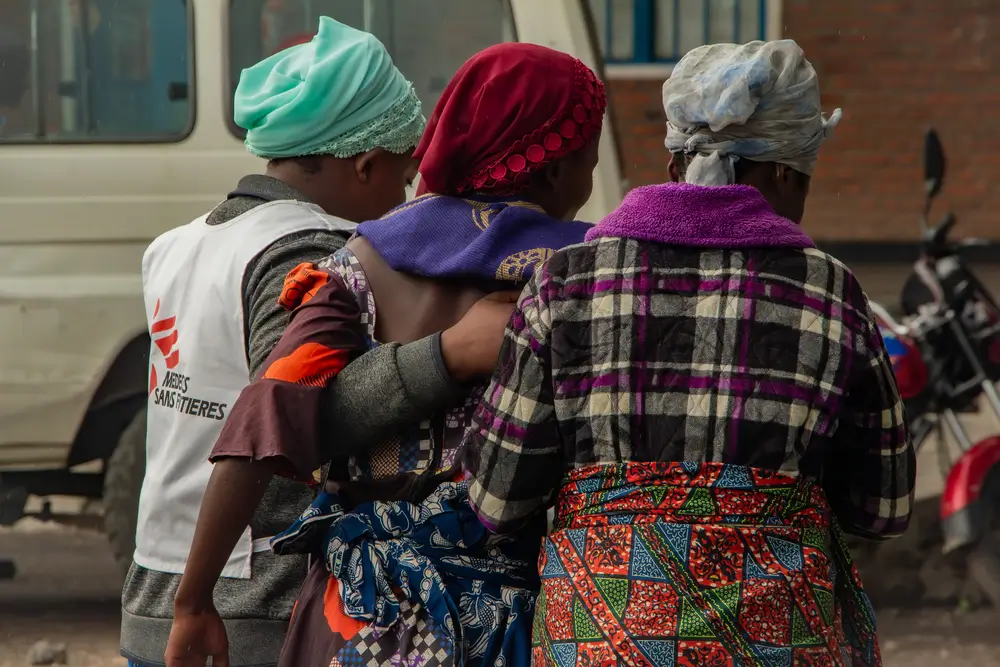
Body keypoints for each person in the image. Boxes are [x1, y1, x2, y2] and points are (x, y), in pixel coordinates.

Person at [465, 40, 915, 667]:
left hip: (598, 644)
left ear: (674, 162)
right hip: (776, 644)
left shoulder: (567, 280)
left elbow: (496, 497)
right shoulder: (830, 289)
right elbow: (884, 506)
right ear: (786, 173)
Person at [163, 42, 607, 667]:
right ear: (557, 167)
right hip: (526, 613)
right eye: (588, 162)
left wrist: (195, 599)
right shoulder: (588, 275)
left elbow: (264, 417)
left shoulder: (356, 264)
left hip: (358, 615)